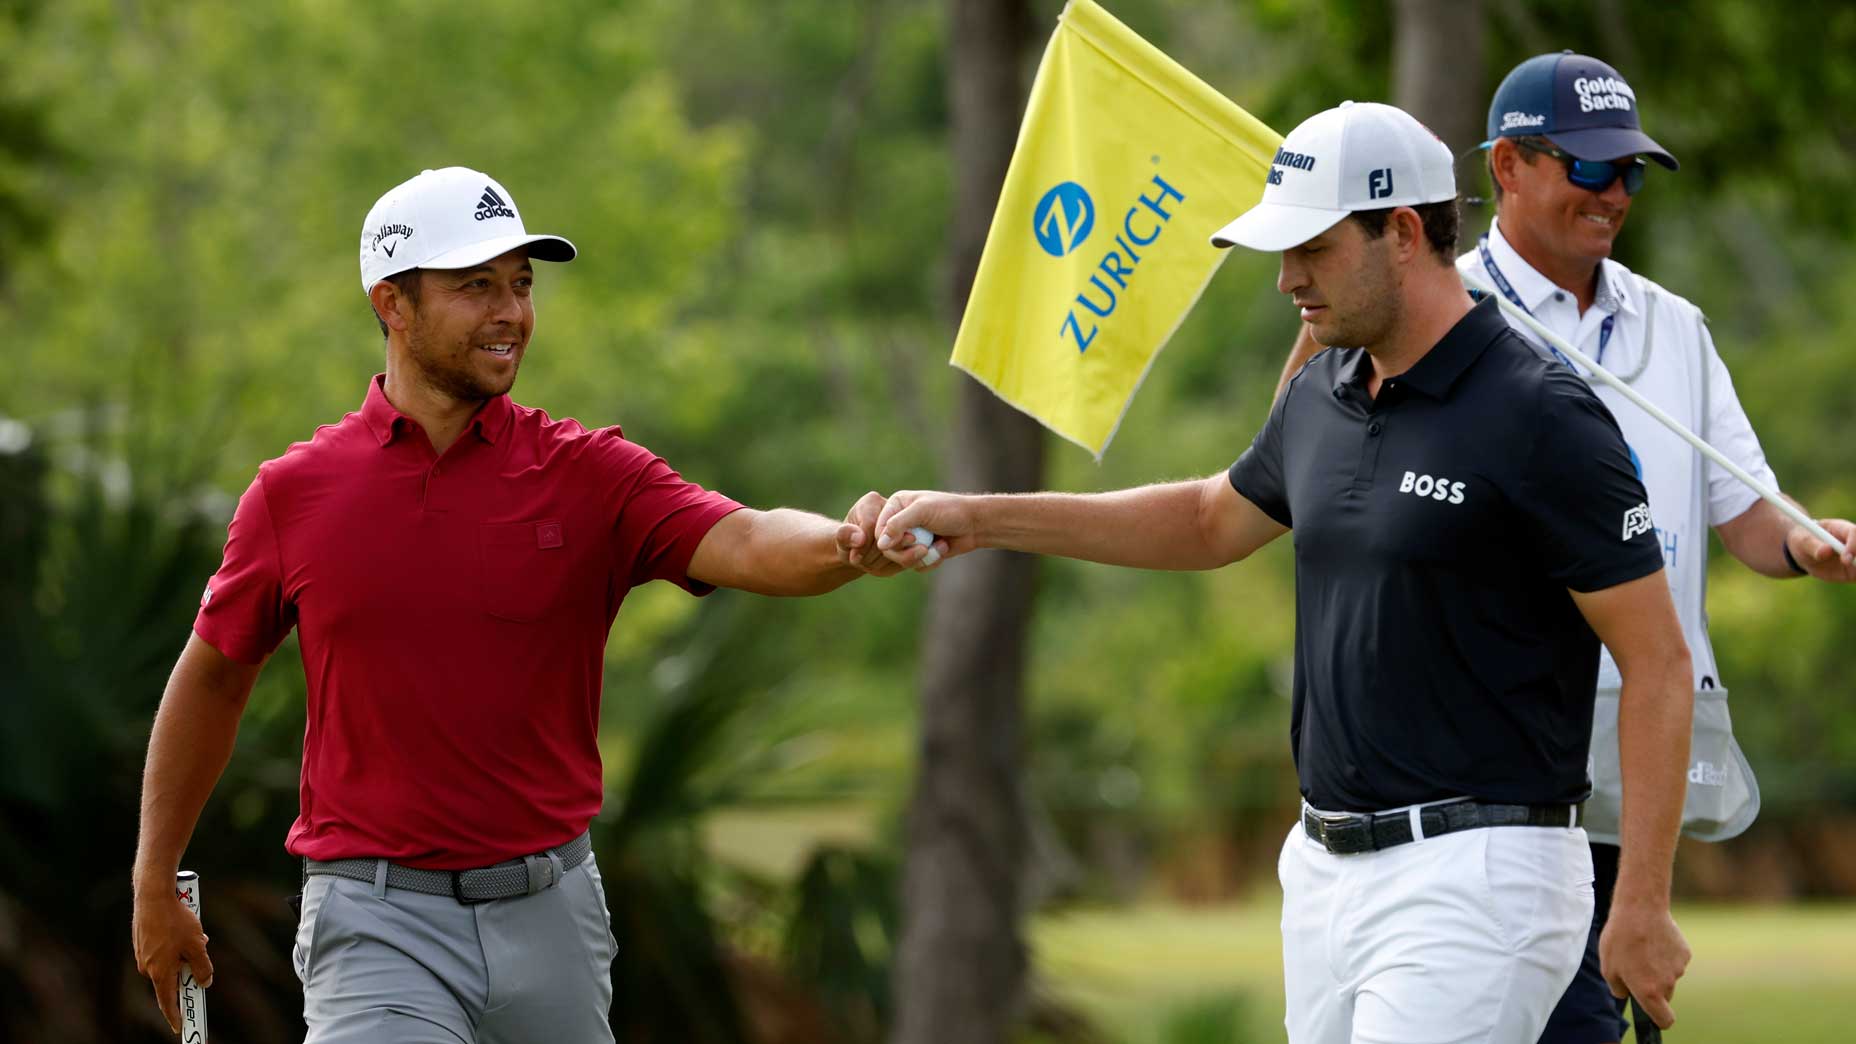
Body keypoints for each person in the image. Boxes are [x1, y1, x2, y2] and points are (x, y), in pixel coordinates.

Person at [872, 101, 1695, 1043]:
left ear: (1402, 232)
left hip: (1481, 878)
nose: (1286, 279)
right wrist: (982, 519)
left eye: (1312, 247)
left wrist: (1640, 901)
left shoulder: (1541, 413)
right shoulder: (1324, 392)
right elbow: (1206, 520)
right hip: (1323, 871)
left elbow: (1659, 664)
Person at [130, 166, 902, 1043]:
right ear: (393, 304)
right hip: (377, 923)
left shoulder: (589, 473)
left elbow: (750, 539)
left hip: (554, 921)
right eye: (476, 287)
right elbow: (213, 680)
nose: (512, 312)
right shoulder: (294, 495)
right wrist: (153, 879)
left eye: (522, 284)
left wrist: (848, 542)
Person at [1274, 54, 1856, 1044]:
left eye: (1628, 172)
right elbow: (1298, 460)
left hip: (1631, 753)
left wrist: (1805, 542)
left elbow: (1744, 513)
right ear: (1504, 166)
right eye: (1588, 170)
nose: (1615, 194)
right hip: (1486, 762)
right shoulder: (1421, 307)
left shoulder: (1673, 329)